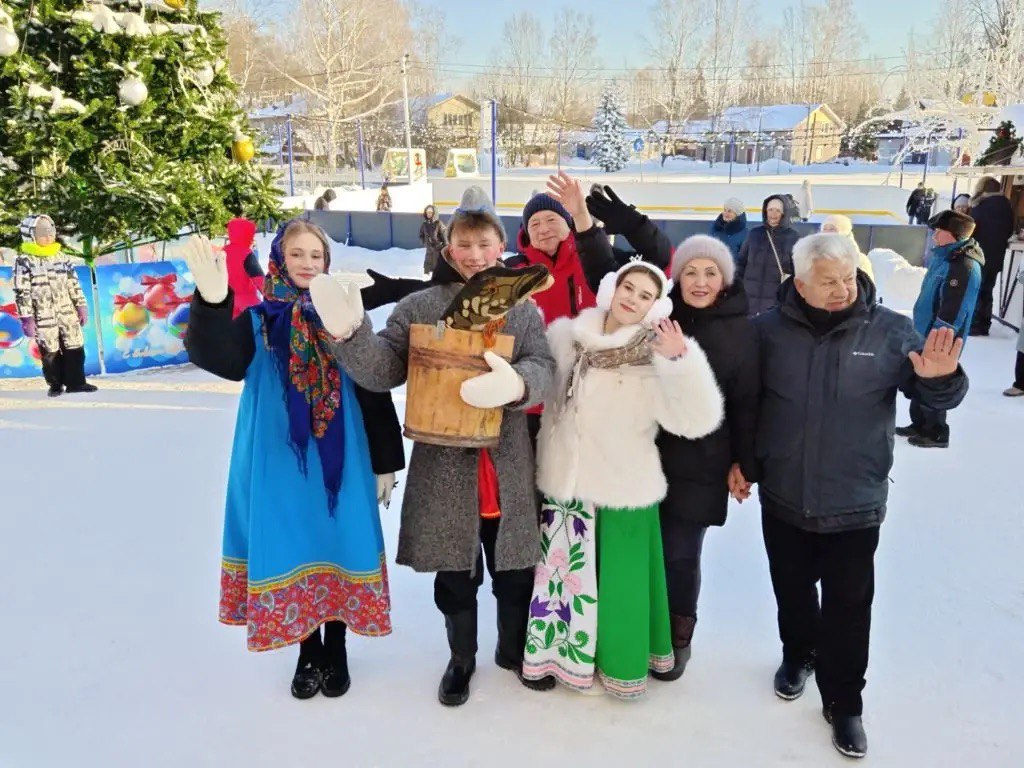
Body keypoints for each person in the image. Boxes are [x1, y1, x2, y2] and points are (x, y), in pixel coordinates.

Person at [308, 186, 558, 707]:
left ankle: (512, 650)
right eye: (463, 244)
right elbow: (384, 370)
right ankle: (461, 658)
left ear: (500, 246)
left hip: (507, 462)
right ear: (448, 248)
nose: (473, 254)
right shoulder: (420, 305)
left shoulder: (524, 310)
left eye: (484, 243)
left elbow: (545, 367)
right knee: (456, 573)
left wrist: (517, 384)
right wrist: (349, 333)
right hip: (447, 466)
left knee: (514, 571)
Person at [735, 232, 968, 759]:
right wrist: (742, 463)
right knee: (791, 590)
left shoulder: (890, 331)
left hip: (855, 501)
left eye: (847, 278)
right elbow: (747, 404)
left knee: (849, 607)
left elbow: (932, 393)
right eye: (827, 282)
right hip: (785, 495)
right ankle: (798, 654)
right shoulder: (766, 332)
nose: (842, 289)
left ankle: (845, 703)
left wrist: (940, 381)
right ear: (799, 283)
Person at [182, 220, 405, 700]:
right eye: (297, 254)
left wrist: (385, 459)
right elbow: (220, 357)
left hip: (343, 455)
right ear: (280, 259)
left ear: (327, 263)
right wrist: (214, 303)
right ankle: (308, 651)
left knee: (340, 541)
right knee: (293, 543)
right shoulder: (259, 316)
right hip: (278, 459)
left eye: (316, 256)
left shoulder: (344, 314)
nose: (307, 263)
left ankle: (338, 646)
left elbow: (373, 387)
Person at [523, 259, 723, 698]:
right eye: (628, 287)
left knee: (620, 587)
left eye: (645, 295)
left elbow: (697, 420)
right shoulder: (566, 339)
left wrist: (682, 362)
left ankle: (620, 664)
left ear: (655, 306)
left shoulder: (656, 356)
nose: (632, 298)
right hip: (567, 483)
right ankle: (565, 658)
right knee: (569, 583)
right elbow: (537, 385)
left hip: (623, 485)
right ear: (611, 290)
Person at [650, 235, 760, 681]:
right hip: (647, 454)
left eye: (710, 272)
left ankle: (679, 636)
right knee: (642, 547)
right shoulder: (659, 317)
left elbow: (747, 402)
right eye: (690, 272)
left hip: (703, 460)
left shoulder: (743, 330)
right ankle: (641, 629)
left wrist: (744, 463)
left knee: (680, 553)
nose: (699, 281)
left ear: (725, 279)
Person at [896, 211, 983, 448]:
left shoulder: (963, 265)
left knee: (934, 379)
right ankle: (920, 424)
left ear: (953, 235)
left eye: (939, 232)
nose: (934, 237)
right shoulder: (945, 258)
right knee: (919, 376)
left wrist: (939, 337)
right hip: (923, 330)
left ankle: (936, 431)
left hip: (939, 338)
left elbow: (955, 308)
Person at [13, 214, 97, 397]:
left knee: (74, 346)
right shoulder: (24, 261)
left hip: (66, 311)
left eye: (50, 231)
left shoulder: (62, 257)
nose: (48, 236)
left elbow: (73, 283)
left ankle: (76, 382)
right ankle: (55, 384)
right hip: (42, 315)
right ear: (30, 235)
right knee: (49, 351)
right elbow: (22, 291)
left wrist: (81, 305)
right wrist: (27, 317)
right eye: (42, 232)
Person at [735, 195, 800, 316]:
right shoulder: (754, 234)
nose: (773, 214)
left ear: (784, 213)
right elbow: (741, 263)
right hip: (749, 301)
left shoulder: (793, 237)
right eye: (770, 210)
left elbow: (798, 271)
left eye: (777, 210)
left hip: (776, 302)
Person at [968, 176, 1014, 336]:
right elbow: (1010, 231)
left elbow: (971, 230)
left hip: (978, 254)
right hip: (996, 256)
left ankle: (973, 324)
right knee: (987, 290)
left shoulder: (980, 206)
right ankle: (984, 324)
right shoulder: (1006, 206)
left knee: (975, 289)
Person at [223, 217, 264, 318]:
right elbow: (261, 282)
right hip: (247, 306)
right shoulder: (246, 253)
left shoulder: (221, 253)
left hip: (224, 305)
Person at [820, 214, 874, 282]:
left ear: (844, 234)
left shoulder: (860, 261)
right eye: (824, 229)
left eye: (832, 229)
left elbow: (867, 288)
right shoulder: (815, 259)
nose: (827, 234)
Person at [708, 197, 749, 262]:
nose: (726, 213)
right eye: (725, 210)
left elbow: (745, 259)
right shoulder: (715, 228)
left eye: (729, 211)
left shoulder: (744, 233)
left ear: (737, 214)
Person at [418, 204, 447, 275]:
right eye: (427, 212)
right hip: (429, 252)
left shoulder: (439, 223)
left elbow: (445, 236)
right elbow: (421, 235)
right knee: (427, 272)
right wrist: (425, 243)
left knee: (438, 270)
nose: (429, 214)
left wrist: (444, 246)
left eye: (430, 212)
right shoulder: (424, 224)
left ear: (434, 213)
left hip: (438, 251)